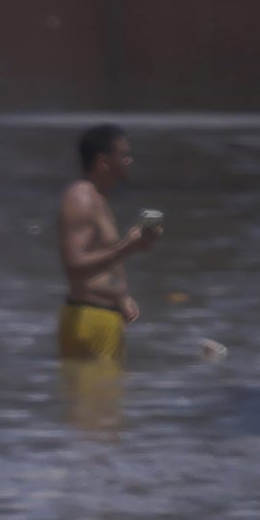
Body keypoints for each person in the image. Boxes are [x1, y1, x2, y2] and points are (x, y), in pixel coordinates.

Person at [57, 124, 161, 363]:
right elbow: (74, 266)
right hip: (90, 319)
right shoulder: (81, 198)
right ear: (103, 161)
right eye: (123, 155)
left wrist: (120, 296)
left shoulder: (97, 198)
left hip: (102, 318)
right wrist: (129, 246)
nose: (129, 161)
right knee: (94, 399)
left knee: (106, 399)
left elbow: (100, 261)